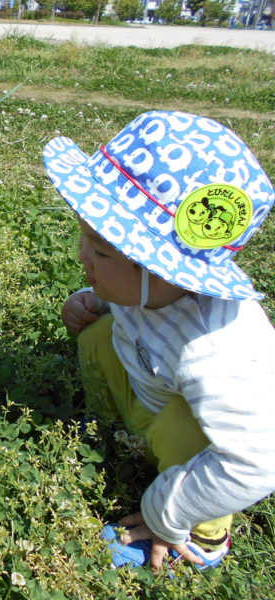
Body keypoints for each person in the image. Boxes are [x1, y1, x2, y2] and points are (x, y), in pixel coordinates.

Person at [43, 111, 275, 572]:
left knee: (189, 426)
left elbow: (255, 462)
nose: (83, 255)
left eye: (102, 250)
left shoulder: (218, 350)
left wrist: (164, 514)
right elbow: (128, 305)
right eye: (85, 238)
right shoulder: (148, 288)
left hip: (199, 439)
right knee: (100, 332)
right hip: (147, 389)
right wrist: (90, 301)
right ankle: (108, 433)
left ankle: (204, 539)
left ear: (161, 268)